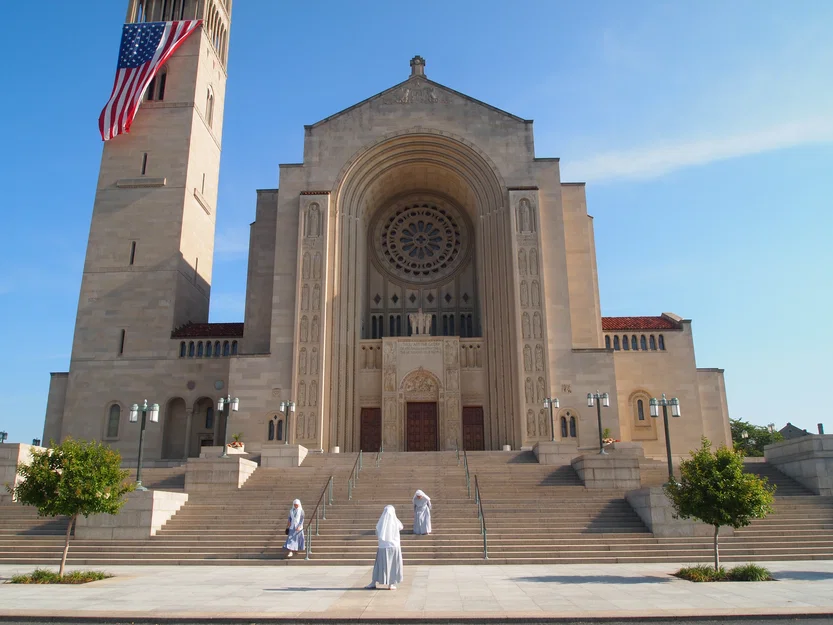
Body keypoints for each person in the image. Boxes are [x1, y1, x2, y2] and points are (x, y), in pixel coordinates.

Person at [366, 505, 403, 590]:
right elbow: (401, 527)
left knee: (379, 565)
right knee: (392, 565)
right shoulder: (395, 521)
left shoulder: (381, 522)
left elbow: (377, 531)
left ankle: (373, 582)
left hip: (383, 547)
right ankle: (391, 584)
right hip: (393, 547)